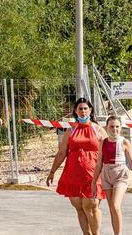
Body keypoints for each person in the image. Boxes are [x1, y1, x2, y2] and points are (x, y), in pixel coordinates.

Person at [46, 97, 104, 235]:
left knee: (91, 205)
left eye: (85, 108)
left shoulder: (98, 129)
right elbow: (61, 153)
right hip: (73, 175)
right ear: (75, 111)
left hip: (93, 174)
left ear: (90, 110)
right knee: (79, 207)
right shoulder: (71, 130)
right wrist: (52, 172)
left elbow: (108, 149)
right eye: (80, 109)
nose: (83, 111)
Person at [92, 115, 132, 235]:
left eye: (117, 126)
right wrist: (94, 183)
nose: (115, 129)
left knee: (115, 205)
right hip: (106, 174)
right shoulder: (102, 143)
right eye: (112, 126)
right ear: (107, 127)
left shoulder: (124, 142)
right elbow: (98, 164)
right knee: (111, 209)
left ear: (121, 127)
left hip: (120, 174)